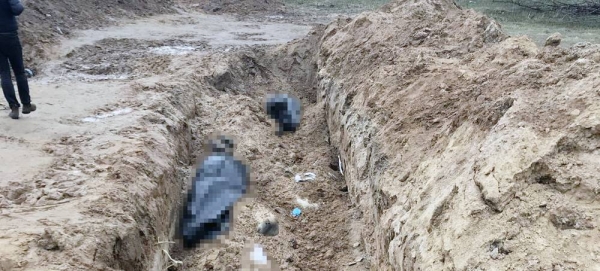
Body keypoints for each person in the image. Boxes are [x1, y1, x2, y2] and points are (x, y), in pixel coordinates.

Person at [0, 0, 35, 119]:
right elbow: (18, 9)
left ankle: (14, 107)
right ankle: (26, 104)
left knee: (4, 74)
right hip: (10, 36)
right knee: (19, 72)